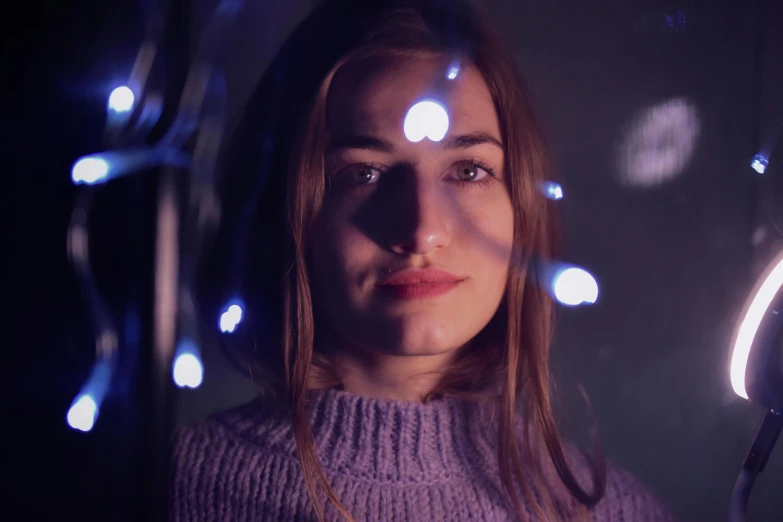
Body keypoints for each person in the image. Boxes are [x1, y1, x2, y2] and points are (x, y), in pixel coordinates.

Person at [170, 1, 679, 521]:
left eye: (467, 171)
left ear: (521, 208)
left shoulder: (615, 512)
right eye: (362, 175)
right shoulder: (164, 491)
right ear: (284, 210)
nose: (422, 230)